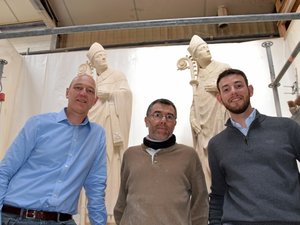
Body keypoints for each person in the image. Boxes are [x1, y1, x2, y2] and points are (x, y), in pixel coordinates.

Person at [0, 74, 107, 225]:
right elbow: (4, 171)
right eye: (78, 88)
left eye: (90, 91)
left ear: (95, 101)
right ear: (67, 92)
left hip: (62, 221)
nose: (83, 93)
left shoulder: (97, 136)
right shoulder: (38, 124)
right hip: (19, 218)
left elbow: (96, 186)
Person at [208, 68, 300, 224]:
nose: (233, 92)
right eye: (226, 89)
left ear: (250, 90)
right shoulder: (216, 145)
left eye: (238, 86)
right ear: (219, 98)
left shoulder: (286, 128)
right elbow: (218, 194)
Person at [114, 98, 208, 225]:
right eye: (157, 115)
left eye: (169, 117)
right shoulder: (130, 155)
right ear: (146, 121)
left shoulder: (189, 155)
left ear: (175, 123)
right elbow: (122, 200)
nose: (163, 121)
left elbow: (200, 202)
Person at [86, 42, 132, 224]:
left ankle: (111, 209)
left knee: (112, 165)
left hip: (112, 128)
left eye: (104, 54)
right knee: (94, 166)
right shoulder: (92, 82)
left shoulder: (117, 75)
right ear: (93, 63)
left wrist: (111, 94)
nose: (103, 58)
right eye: (98, 56)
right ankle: (90, 210)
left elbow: (127, 95)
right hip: (95, 127)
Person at [186, 35, 230, 190]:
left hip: (219, 118)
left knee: (223, 154)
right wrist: (192, 118)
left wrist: (219, 87)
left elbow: (235, 91)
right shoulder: (198, 76)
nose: (207, 50)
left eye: (207, 47)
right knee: (206, 160)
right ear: (196, 57)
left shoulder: (223, 68)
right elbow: (195, 100)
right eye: (202, 49)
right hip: (203, 124)